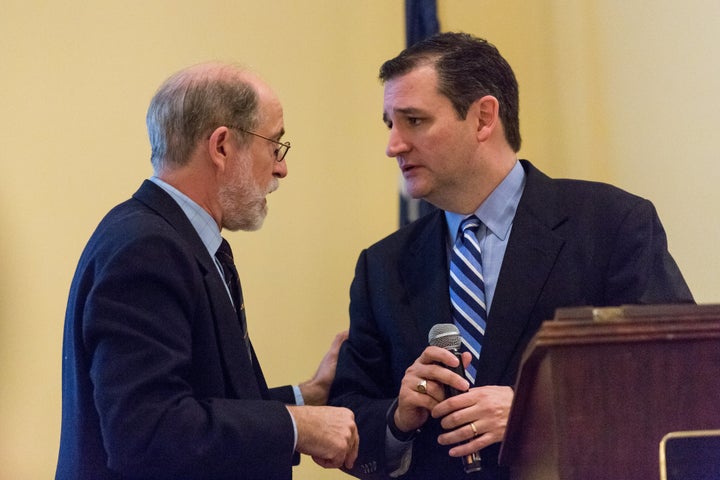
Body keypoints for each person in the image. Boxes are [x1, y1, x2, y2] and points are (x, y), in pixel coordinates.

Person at [328, 32, 694, 480]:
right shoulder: (381, 266)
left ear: (483, 118)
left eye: (414, 121)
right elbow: (349, 416)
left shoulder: (613, 225)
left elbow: (679, 382)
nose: (394, 145)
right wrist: (398, 418)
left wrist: (536, 415)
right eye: (390, 124)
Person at [56, 62, 358, 480]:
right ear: (221, 147)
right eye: (275, 145)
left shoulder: (169, 238)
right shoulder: (147, 250)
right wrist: (296, 428)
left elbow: (201, 401)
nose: (281, 168)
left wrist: (306, 396)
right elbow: (147, 432)